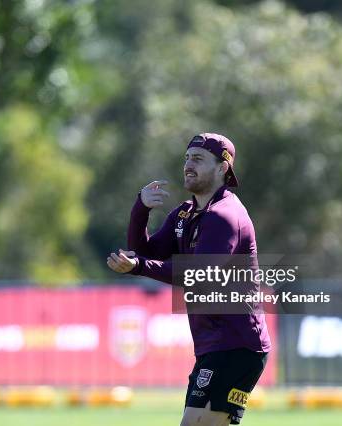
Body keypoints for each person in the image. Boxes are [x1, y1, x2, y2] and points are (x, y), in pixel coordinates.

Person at [107, 133, 271, 426]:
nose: (188, 165)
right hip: (215, 345)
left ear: (222, 168)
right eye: (186, 158)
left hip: (236, 344)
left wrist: (137, 267)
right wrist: (140, 209)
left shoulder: (225, 215)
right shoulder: (185, 214)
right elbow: (143, 251)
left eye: (198, 159)